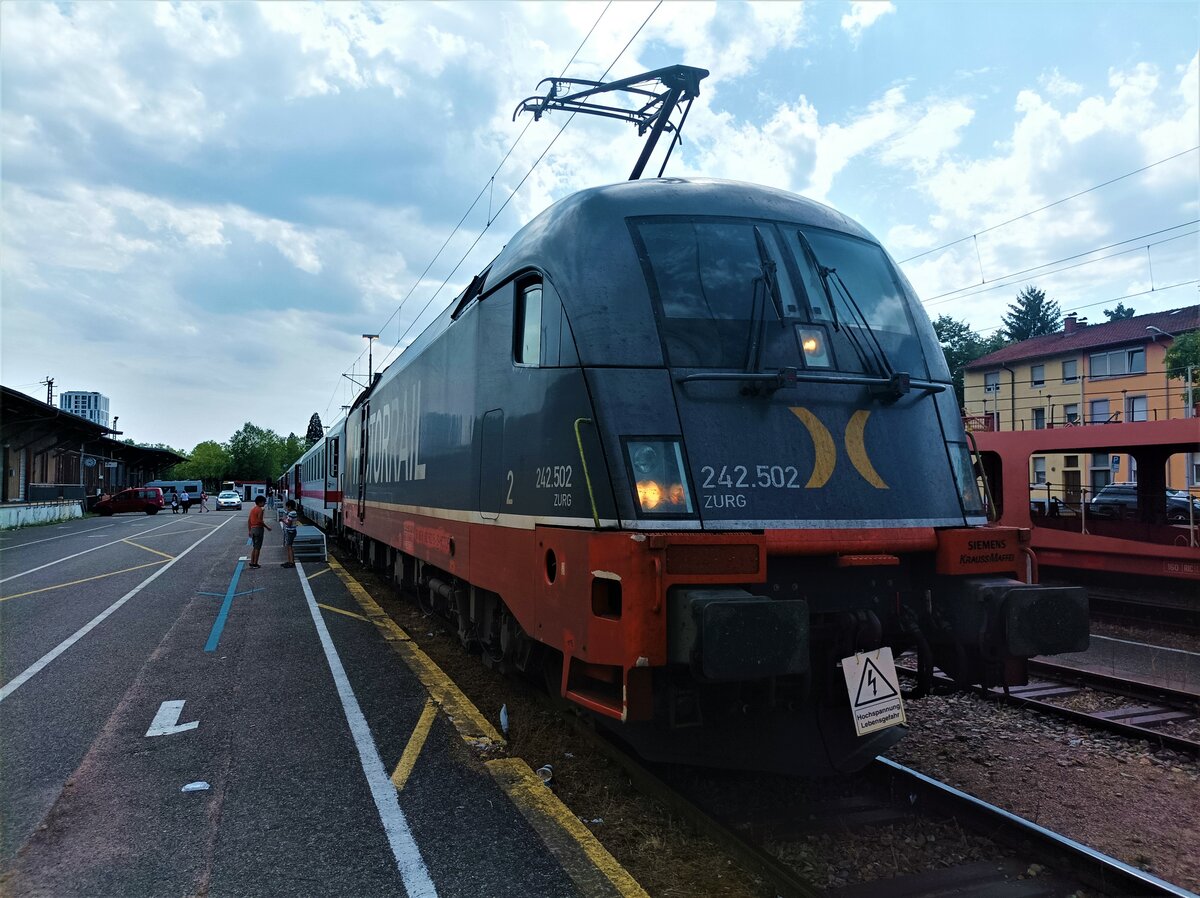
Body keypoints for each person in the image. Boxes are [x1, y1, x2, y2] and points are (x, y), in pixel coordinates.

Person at [247, 495, 272, 568]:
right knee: (258, 547)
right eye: (264, 502)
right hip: (258, 529)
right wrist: (267, 527)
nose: (264, 504)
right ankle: (255, 563)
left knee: (254, 547)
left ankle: (252, 562)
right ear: (260, 502)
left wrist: (249, 530)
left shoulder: (253, 509)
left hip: (253, 529)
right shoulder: (260, 510)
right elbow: (259, 521)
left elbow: (249, 521)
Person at [280, 499, 298, 568]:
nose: (287, 508)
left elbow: (289, 523)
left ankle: (291, 562)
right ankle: (290, 561)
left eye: (287, 507)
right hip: (293, 531)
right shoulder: (294, 512)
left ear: (290, 507)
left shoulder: (291, 513)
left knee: (289, 547)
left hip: (290, 531)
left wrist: (283, 520)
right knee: (289, 546)